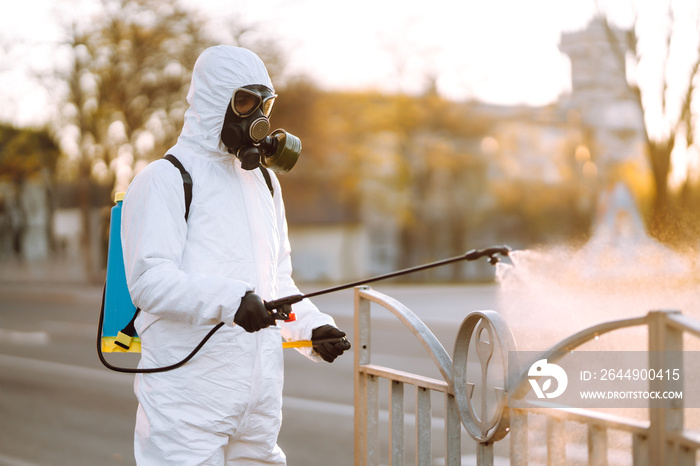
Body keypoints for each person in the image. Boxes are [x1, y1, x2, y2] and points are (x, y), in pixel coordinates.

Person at [121, 45, 351, 465]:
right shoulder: (166, 179)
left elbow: (277, 282)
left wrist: (312, 330)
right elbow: (149, 281)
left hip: (258, 405)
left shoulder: (263, 182)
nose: (256, 116)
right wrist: (232, 300)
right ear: (213, 100)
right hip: (185, 402)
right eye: (243, 101)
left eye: (263, 103)